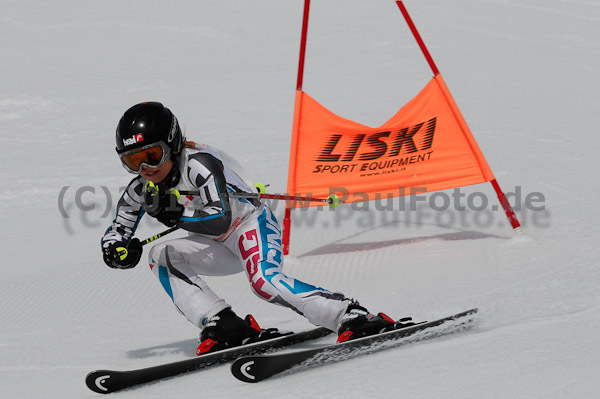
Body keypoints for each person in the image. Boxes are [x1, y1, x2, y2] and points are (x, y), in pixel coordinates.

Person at [101, 102, 408, 354]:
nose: (145, 169)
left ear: (172, 145)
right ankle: (223, 324)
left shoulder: (199, 165)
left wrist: (176, 215)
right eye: (133, 161)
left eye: (152, 156)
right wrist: (115, 249)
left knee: (264, 281)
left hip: (249, 226)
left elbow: (220, 218)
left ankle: (350, 315)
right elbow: (120, 226)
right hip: (217, 244)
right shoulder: (142, 187)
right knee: (161, 255)